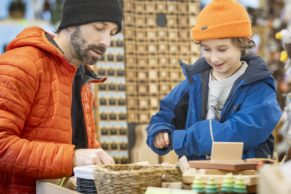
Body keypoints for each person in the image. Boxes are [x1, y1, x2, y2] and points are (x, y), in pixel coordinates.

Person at [0, 0, 122, 193]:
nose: (106, 42)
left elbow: (79, 142)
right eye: (99, 28)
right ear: (72, 22)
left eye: (112, 33)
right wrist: (72, 158)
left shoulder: (83, 79)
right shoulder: (21, 65)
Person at [147, 0, 282, 161]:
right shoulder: (194, 82)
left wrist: (183, 139)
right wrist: (159, 132)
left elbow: (240, 131)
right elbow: (165, 114)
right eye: (206, 49)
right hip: (198, 179)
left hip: (243, 178)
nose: (214, 57)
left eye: (222, 49)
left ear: (243, 43)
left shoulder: (259, 86)